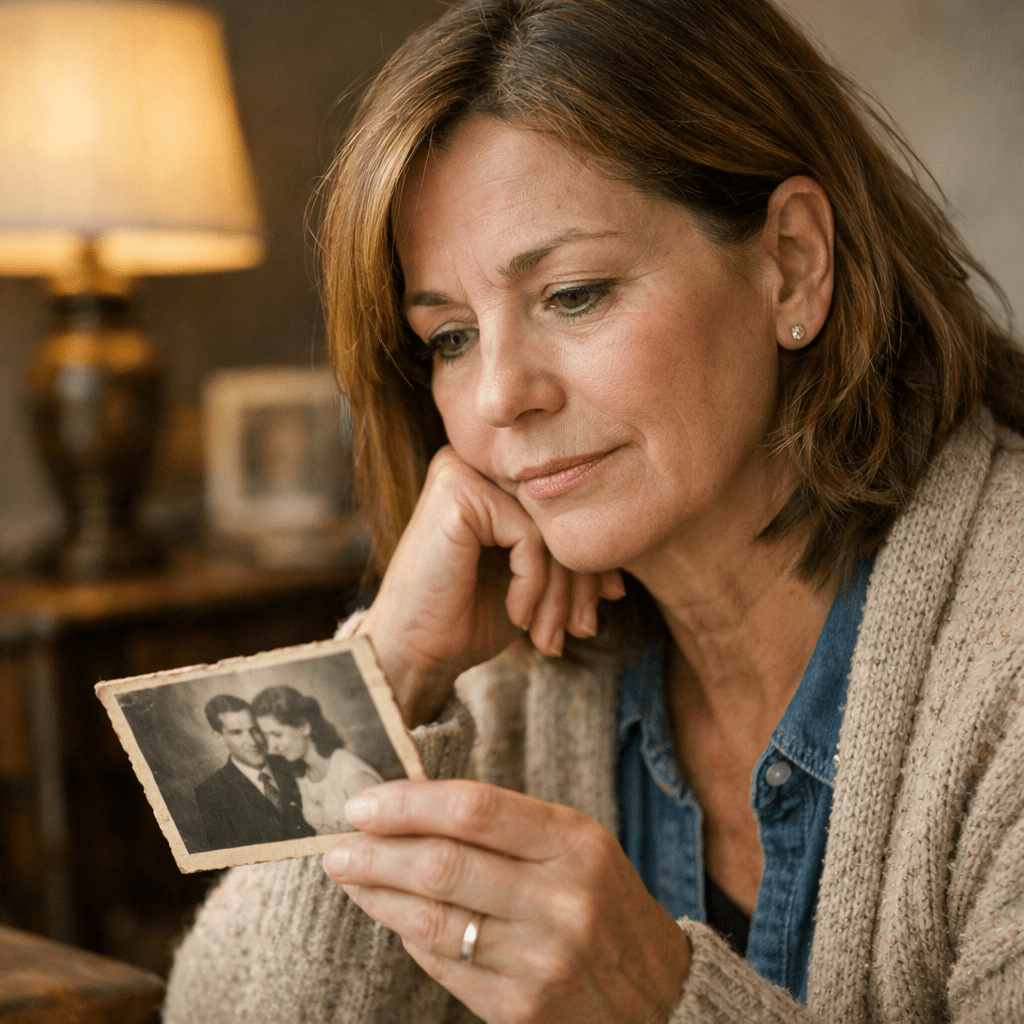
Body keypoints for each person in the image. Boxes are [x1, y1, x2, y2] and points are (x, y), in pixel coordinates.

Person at [164, 1, 1024, 1021]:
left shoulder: (1002, 668)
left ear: (790, 261)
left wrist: (659, 1002)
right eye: (449, 337)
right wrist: (387, 672)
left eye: (572, 294)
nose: (497, 398)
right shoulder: (510, 660)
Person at [250, 685, 384, 834]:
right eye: (266, 737)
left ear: (304, 726)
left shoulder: (353, 776)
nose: (271, 746)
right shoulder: (302, 774)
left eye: (277, 734)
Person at [194, 694, 316, 850]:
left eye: (255, 730)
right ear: (220, 737)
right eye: (237, 733)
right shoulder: (211, 792)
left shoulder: (291, 761)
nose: (252, 742)